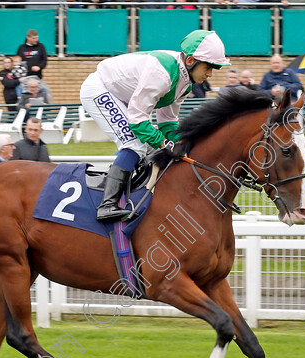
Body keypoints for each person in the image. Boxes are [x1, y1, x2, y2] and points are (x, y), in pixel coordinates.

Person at [80, 29, 230, 222]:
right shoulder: (163, 74)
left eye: (214, 69)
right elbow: (137, 119)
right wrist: (166, 145)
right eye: (208, 67)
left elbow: (167, 120)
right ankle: (107, 205)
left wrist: (182, 144)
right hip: (100, 89)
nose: (210, 74)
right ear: (191, 60)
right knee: (134, 144)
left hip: (123, 96)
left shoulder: (186, 83)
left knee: (149, 145)